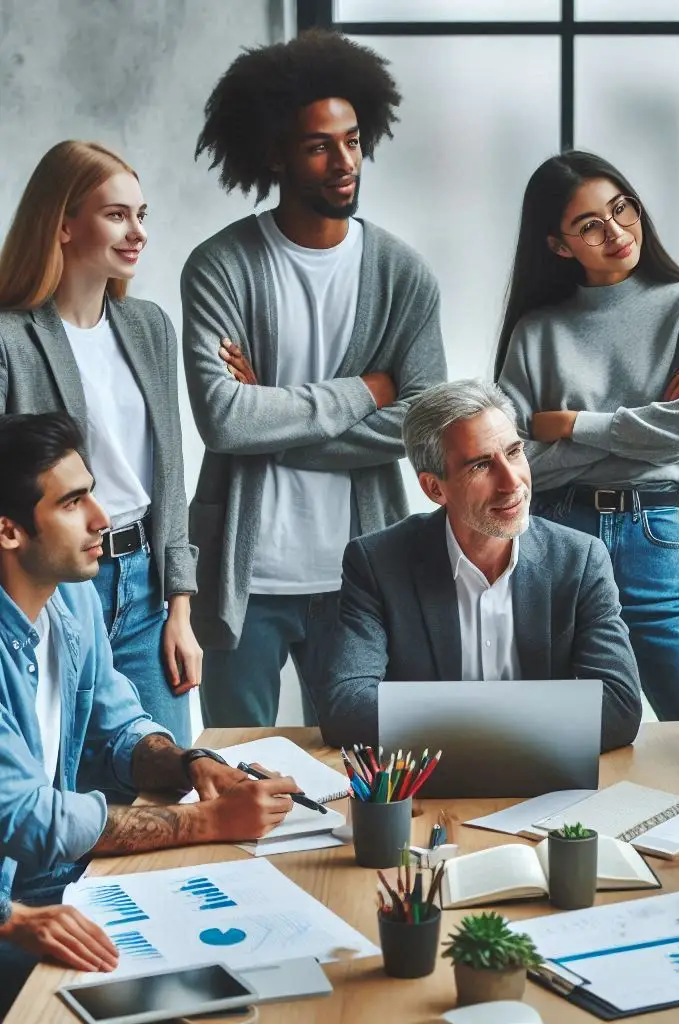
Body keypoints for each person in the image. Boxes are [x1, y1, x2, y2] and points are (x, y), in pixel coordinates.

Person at [182, 29, 447, 728]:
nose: (343, 161)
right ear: (275, 154)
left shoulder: (402, 274)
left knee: (369, 771)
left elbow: (426, 426)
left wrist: (272, 420)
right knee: (237, 769)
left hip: (359, 574)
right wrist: (366, 390)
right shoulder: (221, 267)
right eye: (318, 146)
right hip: (244, 575)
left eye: (353, 140)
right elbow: (223, 420)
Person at [0, 413, 298, 1015]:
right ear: (9, 531)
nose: (102, 520)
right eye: (73, 503)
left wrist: (191, 764)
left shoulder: (72, 596)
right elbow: (28, 818)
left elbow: (118, 725)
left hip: (57, 876)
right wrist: (206, 824)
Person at [495, 151, 679, 724]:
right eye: (589, 226)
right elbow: (511, 461)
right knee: (554, 746)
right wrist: (648, 426)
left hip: (650, 532)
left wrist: (573, 424)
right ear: (558, 245)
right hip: (554, 534)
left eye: (622, 209)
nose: (617, 232)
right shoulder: (537, 331)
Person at [308, 380, 644, 753]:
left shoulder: (580, 560)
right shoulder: (377, 563)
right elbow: (345, 711)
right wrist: (533, 717)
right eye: (482, 465)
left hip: (545, 790)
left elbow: (619, 707)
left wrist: (456, 720)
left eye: (514, 451)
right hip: (432, 794)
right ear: (435, 489)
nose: (511, 481)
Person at [0, 141, 201, 749]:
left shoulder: (150, 327)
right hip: (53, 586)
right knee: (65, 787)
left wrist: (180, 610)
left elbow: (169, 476)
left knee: (168, 785)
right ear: (61, 224)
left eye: (142, 215)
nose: (137, 231)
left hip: (145, 593)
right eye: (117, 215)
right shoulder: (9, 339)